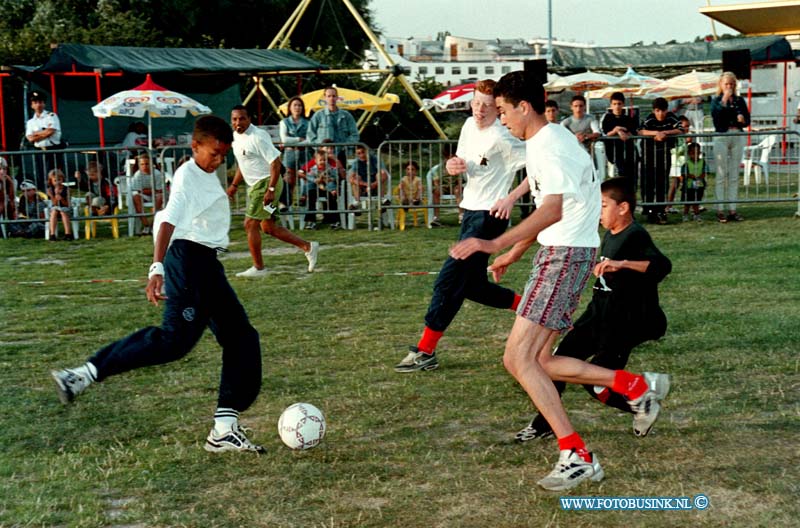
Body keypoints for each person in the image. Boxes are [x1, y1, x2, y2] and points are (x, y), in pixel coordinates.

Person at [449, 71, 663, 491]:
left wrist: (494, 244)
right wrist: (515, 251)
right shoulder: (543, 143)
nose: (501, 118)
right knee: (541, 361)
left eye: (505, 111)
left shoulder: (550, 146)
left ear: (523, 107)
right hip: (559, 253)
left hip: (565, 257)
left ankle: (577, 454)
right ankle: (633, 386)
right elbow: (558, 208)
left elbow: (552, 210)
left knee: (517, 359)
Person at [51, 115, 267, 454]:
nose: (219, 159)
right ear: (195, 146)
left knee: (241, 338)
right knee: (173, 342)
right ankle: (83, 374)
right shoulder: (188, 178)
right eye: (214, 152)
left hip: (206, 264)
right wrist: (157, 268)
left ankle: (224, 428)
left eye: (224, 154)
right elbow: (166, 220)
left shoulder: (206, 171)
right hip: (189, 262)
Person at [515, 177, 671, 442]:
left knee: (597, 384)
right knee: (554, 361)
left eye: (603, 206)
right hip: (597, 314)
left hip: (625, 321)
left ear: (623, 208)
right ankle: (544, 424)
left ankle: (642, 400)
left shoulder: (636, 234)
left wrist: (622, 264)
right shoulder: (610, 233)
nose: (598, 212)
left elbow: (662, 266)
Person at [394, 79, 526, 373]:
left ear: (498, 108)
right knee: (473, 286)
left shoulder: (503, 136)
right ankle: (530, 307)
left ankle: (425, 350)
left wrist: (512, 197)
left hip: (489, 215)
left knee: (448, 280)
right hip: (470, 212)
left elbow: (540, 165)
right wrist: (454, 164)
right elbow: (463, 160)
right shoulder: (468, 125)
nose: (479, 109)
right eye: (476, 103)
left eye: (487, 106)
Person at [227, 105, 319, 277]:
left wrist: (270, 189)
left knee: (249, 224)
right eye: (234, 119)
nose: (238, 122)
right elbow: (243, 164)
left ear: (249, 119)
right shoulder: (235, 137)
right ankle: (308, 247)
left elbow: (275, 163)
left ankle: (259, 268)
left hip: (266, 185)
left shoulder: (258, 136)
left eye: (242, 118)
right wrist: (233, 186)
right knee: (268, 227)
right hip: (255, 187)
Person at [711, 71, 750, 223]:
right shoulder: (716, 100)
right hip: (722, 135)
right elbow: (717, 117)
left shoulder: (740, 100)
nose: (729, 87)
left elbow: (747, 120)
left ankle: (732, 209)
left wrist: (742, 120)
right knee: (721, 174)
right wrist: (725, 99)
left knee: (734, 174)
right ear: (721, 85)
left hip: (737, 135)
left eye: (732, 84)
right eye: (726, 84)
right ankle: (720, 209)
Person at [638, 97, 684, 225]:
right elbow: (640, 130)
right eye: (657, 111)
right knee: (648, 183)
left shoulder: (671, 117)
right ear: (654, 110)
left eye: (663, 111)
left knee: (662, 183)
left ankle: (660, 210)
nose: (660, 114)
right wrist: (656, 133)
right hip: (649, 155)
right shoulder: (649, 118)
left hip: (664, 155)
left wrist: (665, 132)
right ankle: (649, 211)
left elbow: (680, 129)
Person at [306, 86, 360, 169]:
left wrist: (344, 145)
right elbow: (310, 135)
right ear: (325, 98)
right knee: (322, 178)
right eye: (329, 96)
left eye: (334, 96)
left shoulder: (346, 116)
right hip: (321, 157)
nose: (332, 98)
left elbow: (355, 135)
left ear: (337, 98)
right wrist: (320, 148)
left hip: (341, 154)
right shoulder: (318, 115)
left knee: (341, 178)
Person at [279, 96, 311, 210]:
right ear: (290, 108)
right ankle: (285, 203)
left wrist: (294, 143)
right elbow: (284, 139)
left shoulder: (308, 123)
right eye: (295, 105)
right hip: (290, 155)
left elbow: (309, 140)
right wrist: (298, 140)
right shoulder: (284, 122)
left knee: (305, 177)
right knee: (288, 179)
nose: (297, 107)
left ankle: (304, 198)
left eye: (300, 105)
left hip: (304, 154)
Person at [600, 91, 639, 182]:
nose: (617, 106)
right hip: (614, 152)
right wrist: (616, 130)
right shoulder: (607, 118)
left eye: (619, 104)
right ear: (611, 105)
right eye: (614, 104)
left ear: (623, 104)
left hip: (629, 152)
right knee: (619, 178)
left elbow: (633, 132)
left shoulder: (628, 118)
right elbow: (606, 133)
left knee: (632, 178)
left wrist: (622, 131)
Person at [25, 91, 63, 180]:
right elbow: (30, 138)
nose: (38, 105)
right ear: (32, 105)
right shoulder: (30, 122)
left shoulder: (51, 116)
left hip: (52, 150)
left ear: (44, 104)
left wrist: (36, 133)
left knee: (54, 177)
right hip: (39, 151)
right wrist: (44, 132)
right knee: (41, 175)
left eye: (40, 102)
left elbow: (51, 131)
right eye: (35, 103)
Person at [302, 148, 342, 229]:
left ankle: (334, 221)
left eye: (324, 160)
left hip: (328, 188)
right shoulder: (312, 169)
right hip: (315, 188)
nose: (323, 162)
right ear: (315, 161)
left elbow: (336, 176)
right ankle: (311, 221)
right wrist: (317, 180)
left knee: (332, 198)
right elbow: (309, 178)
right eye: (321, 160)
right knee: (311, 197)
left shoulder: (330, 168)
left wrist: (331, 179)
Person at [130, 152, 166, 235]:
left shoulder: (157, 174)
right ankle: (146, 225)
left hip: (156, 195)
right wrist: (151, 190)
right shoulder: (137, 175)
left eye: (147, 164)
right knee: (136, 197)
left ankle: (153, 224)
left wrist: (146, 190)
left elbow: (159, 190)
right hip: (145, 196)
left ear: (151, 164)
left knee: (160, 197)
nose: (144, 166)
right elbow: (139, 191)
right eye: (142, 164)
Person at [426, 145, 460, 227]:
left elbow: (460, 179)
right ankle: (436, 217)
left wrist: (459, 185)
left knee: (458, 190)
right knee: (436, 192)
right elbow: (436, 180)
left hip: (454, 186)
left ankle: (461, 215)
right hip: (443, 186)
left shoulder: (458, 166)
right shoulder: (439, 167)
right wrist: (438, 187)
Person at [666, 116, 692, 214]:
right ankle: (669, 206)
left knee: (678, 185)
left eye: (688, 126)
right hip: (676, 164)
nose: (687, 128)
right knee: (677, 185)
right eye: (685, 126)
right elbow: (674, 151)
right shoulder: (675, 137)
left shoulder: (686, 136)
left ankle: (670, 205)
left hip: (684, 164)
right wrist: (686, 143)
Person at [681, 142, 707, 222]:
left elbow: (705, 172)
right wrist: (690, 176)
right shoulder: (686, 164)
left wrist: (701, 176)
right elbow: (683, 173)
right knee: (687, 202)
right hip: (688, 186)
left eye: (697, 153)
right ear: (689, 153)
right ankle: (685, 214)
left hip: (699, 185)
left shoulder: (703, 162)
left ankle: (696, 214)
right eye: (693, 153)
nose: (695, 155)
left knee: (696, 202)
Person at [46, 169, 74, 240]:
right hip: (55, 208)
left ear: (63, 179)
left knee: (63, 211)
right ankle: (52, 235)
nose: (58, 182)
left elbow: (67, 204)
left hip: (65, 208)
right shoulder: (50, 190)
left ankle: (68, 234)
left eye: (59, 179)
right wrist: (54, 195)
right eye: (55, 180)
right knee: (54, 211)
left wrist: (61, 198)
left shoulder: (67, 189)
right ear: (51, 181)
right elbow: (54, 203)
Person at [0, 157, 16, 223]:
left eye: (4, 169)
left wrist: (11, 183)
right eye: (0, 169)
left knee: (11, 206)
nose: (2, 171)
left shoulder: (11, 181)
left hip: (4, 210)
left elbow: (12, 199)